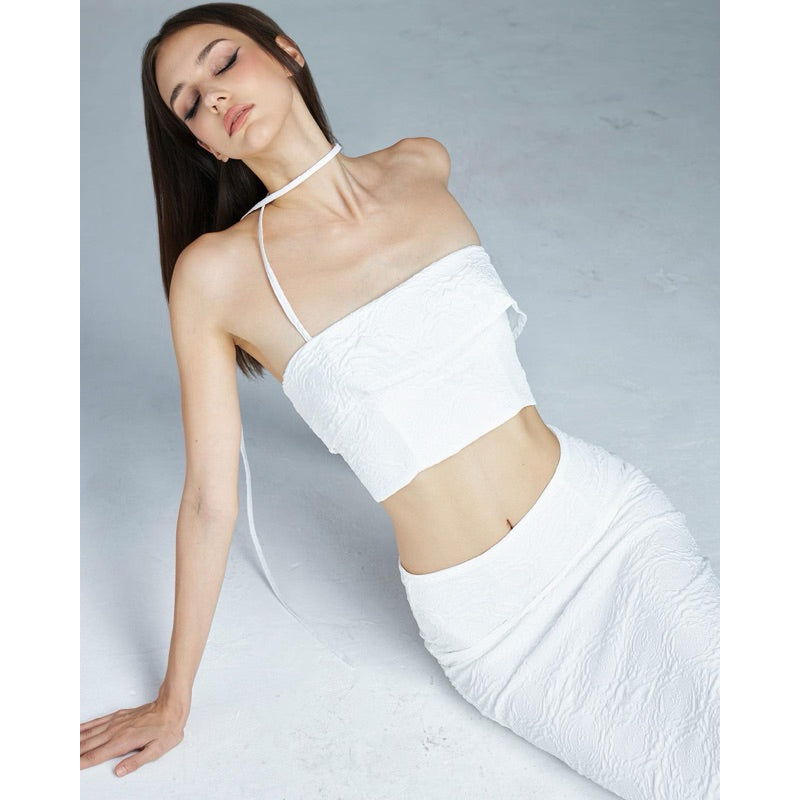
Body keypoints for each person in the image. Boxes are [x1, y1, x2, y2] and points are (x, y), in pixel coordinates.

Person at [80, 4, 720, 798]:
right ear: (205, 144)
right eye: (187, 104)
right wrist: (173, 702)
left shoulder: (421, 165)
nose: (211, 96)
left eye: (222, 61)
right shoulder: (215, 276)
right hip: (500, 625)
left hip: (606, 525)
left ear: (286, 52)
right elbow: (211, 500)